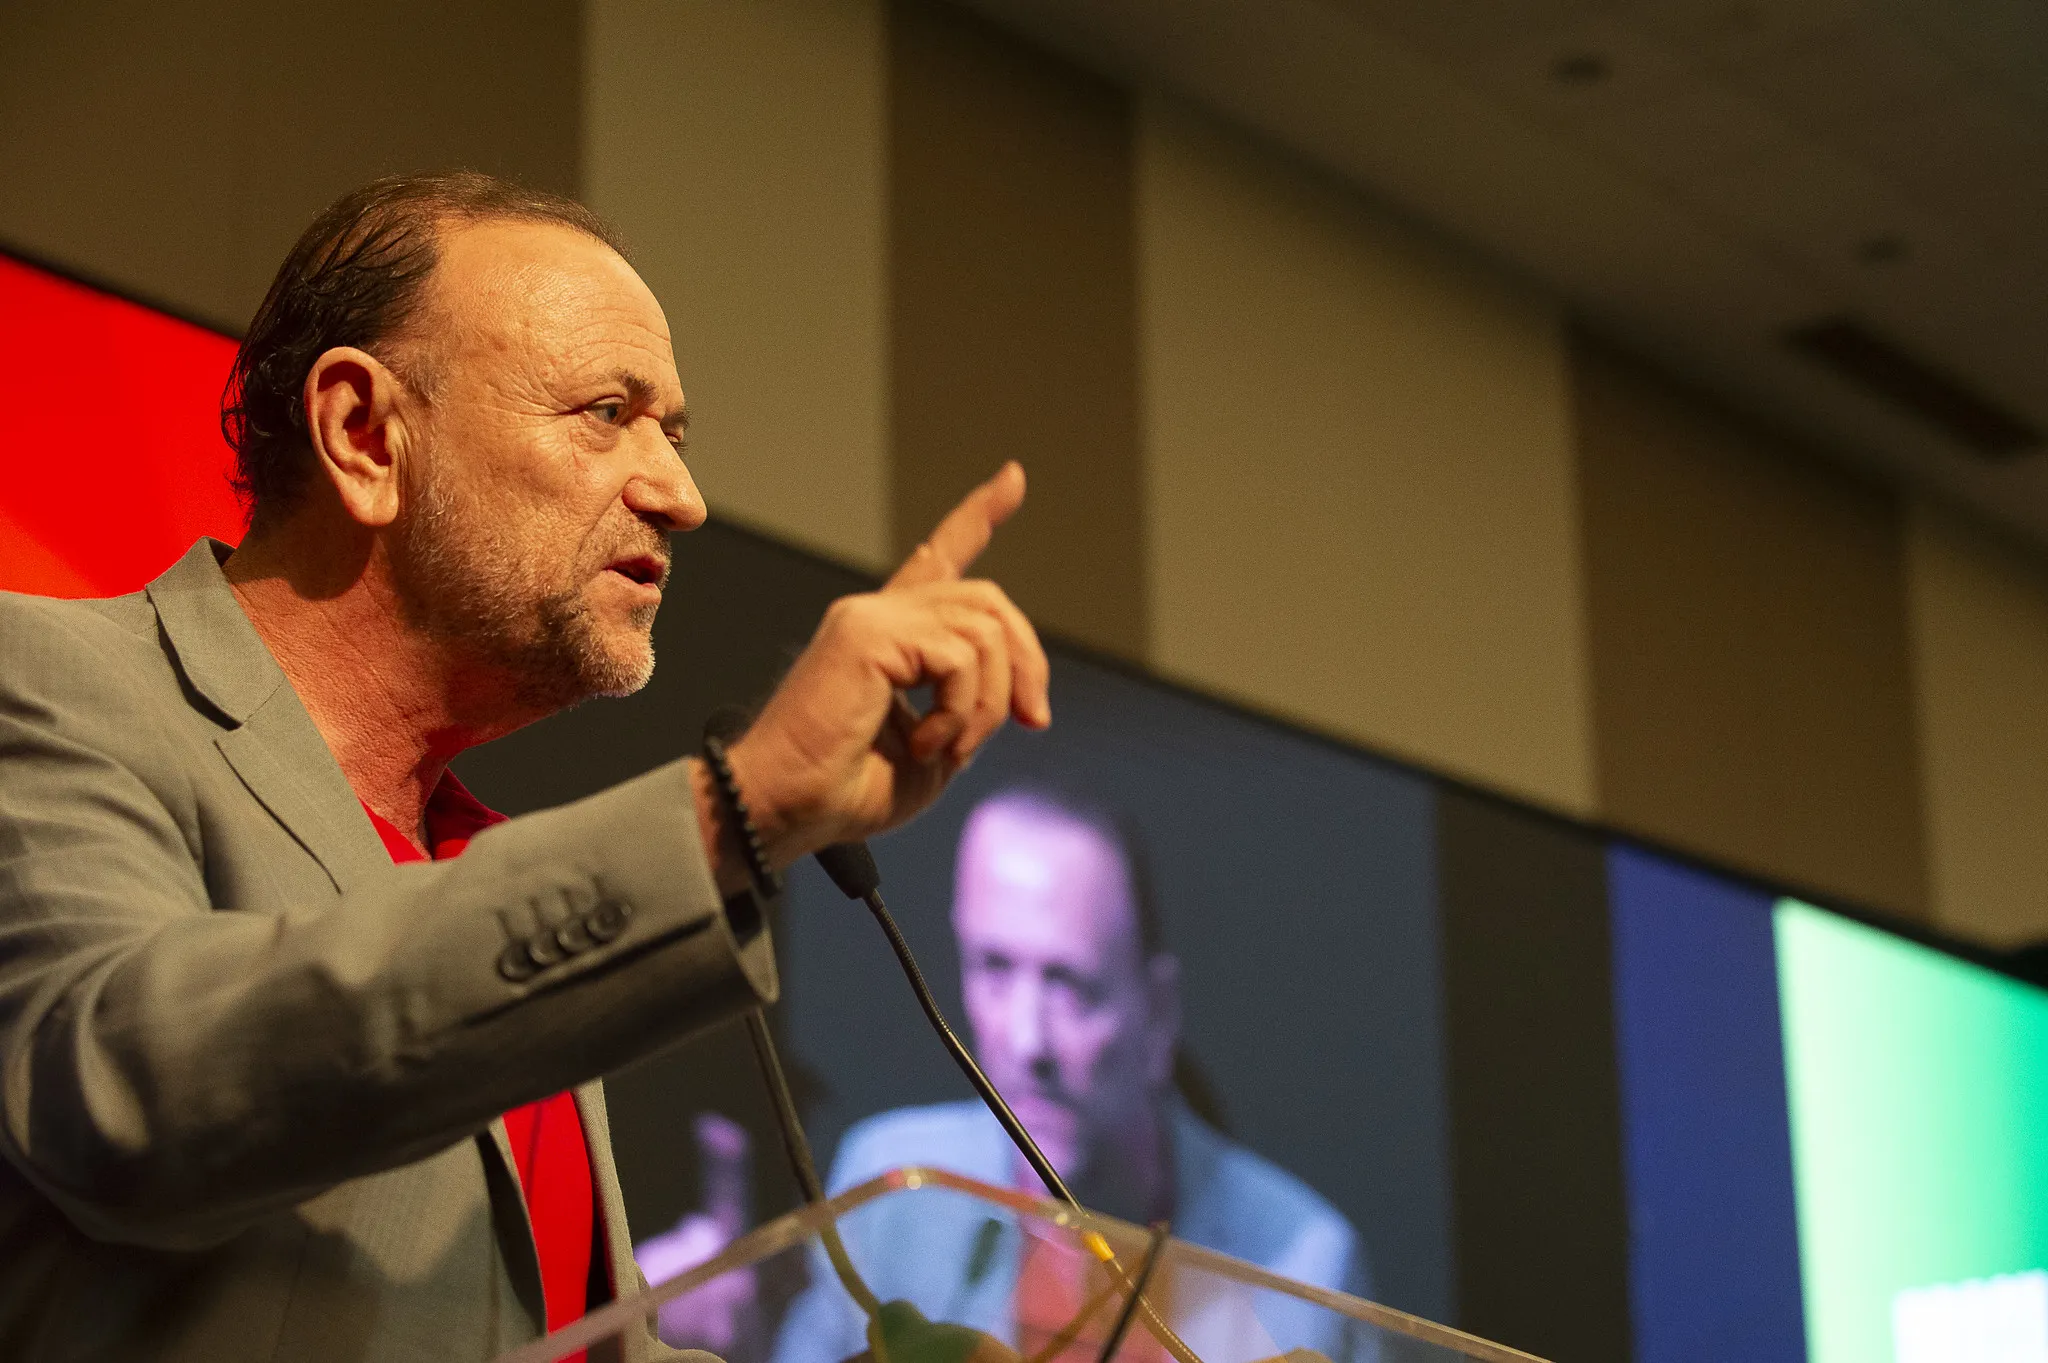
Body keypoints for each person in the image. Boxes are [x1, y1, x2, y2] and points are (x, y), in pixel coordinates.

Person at [0, 172, 1049, 1362]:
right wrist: (731, 816)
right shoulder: (38, 682)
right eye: (609, 412)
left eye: (676, 434)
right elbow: (128, 1094)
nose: (683, 497)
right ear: (363, 433)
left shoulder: (488, 865)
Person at [769, 786, 1369, 1363]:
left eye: (1069, 983)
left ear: (1157, 1011)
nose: (1028, 1042)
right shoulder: (891, 1190)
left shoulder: (1302, 1266)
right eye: (994, 967)